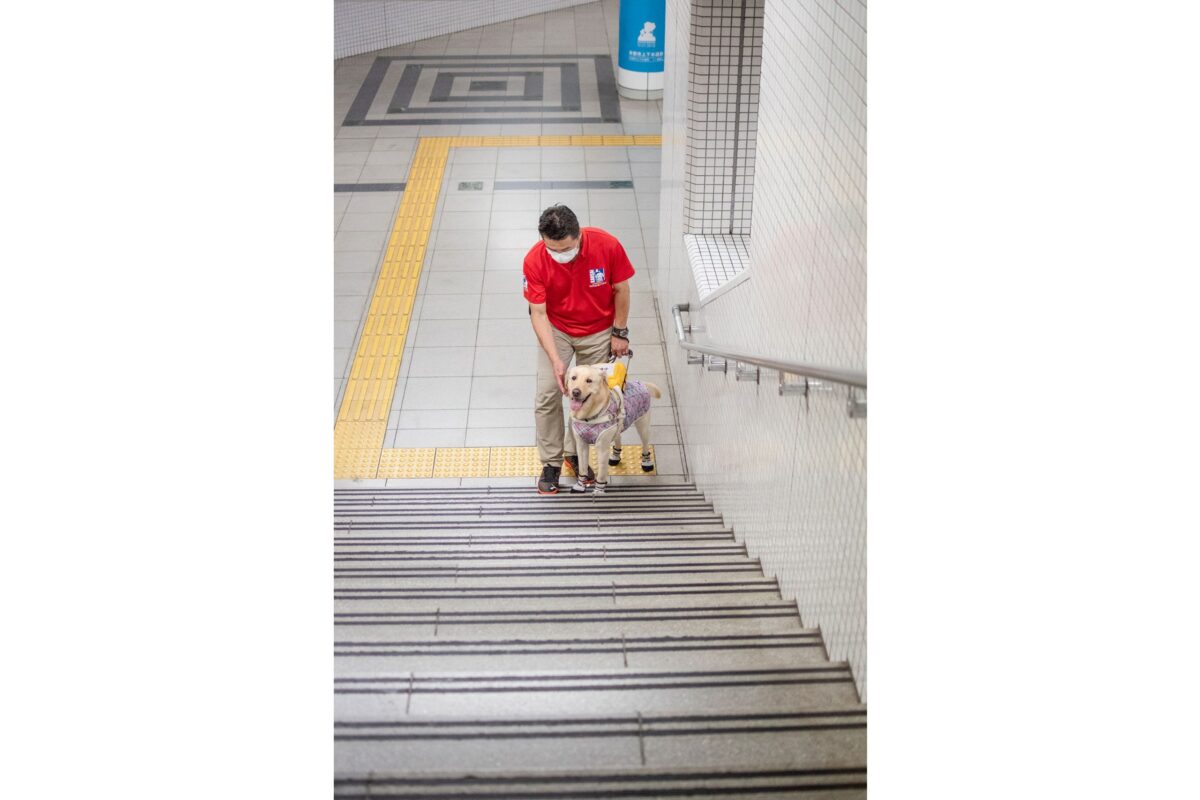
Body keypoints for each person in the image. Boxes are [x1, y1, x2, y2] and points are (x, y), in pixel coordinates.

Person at [523, 204, 635, 494]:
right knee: (547, 394)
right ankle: (551, 462)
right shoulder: (534, 259)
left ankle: (574, 452)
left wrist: (619, 332)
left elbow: (622, 289)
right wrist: (555, 359)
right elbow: (538, 313)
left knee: (591, 394)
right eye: (552, 249)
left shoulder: (607, 245)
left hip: (598, 330)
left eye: (566, 249)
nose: (559, 255)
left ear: (579, 235)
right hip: (557, 329)